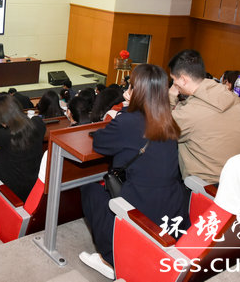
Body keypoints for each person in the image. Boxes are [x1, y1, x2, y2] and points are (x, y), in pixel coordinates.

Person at [79, 64, 190, 279]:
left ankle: (109, 259)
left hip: (142, 210)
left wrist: (125, 110)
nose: (125, 91)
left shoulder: (128, 121)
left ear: (137, 92)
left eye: (130, 87)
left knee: (90, 191)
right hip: (172, 207)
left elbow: (100, 143)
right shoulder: (168, 118)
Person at [168, 49, 240, 183]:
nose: (173, 84)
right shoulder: (234, 98)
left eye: (174, 80)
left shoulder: (190, 114)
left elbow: (162, 129)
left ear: (183, 79)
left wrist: (170, 97)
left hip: (207, 187)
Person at [0, 95, 46, 222]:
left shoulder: (4, 135)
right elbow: (37, 120)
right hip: (31, 184)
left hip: (11, 187)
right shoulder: (37, 126)